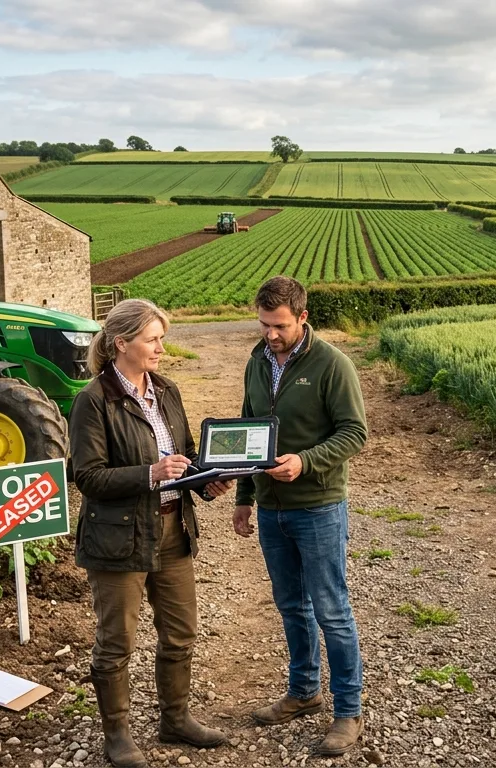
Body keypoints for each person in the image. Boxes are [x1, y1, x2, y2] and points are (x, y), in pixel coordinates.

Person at [70, 298, 233, 768]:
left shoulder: (165, 390)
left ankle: (175, 719)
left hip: (172, 529)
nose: (161, 347)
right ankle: (117, 735)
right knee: (116, 641)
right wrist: (151, 473)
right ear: (122, 343)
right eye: (152, 339)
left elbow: (182, 453)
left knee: (180, 634)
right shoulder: (93, 400)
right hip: (117, 537)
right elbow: (88, 477)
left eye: (162, 337)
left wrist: (206, 480)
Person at [232, 276, 369, 756]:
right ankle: (304, 691)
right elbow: (249, 428)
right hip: (271, 509)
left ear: (302, 318)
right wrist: (244, 497)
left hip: (318, 506)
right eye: (265, 324)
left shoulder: (333, 365)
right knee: (292, 606)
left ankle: (348, 711)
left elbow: (355, 433)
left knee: (332, 610)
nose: (270, 334)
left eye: (280, 326)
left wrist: (305, 461)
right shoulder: (257, 360)